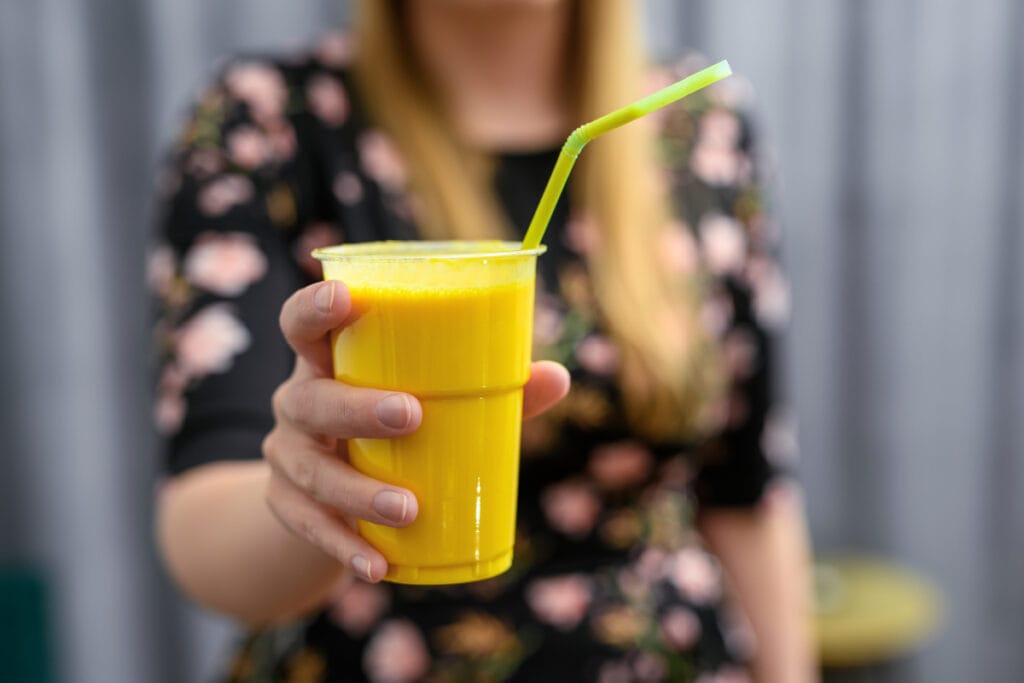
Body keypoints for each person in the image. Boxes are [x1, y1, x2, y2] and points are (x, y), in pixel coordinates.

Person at [151, 1, 817, 680]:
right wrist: (316, 492)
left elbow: (748, 495)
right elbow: (204, 526)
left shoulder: (702, 126)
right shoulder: (266, 120)